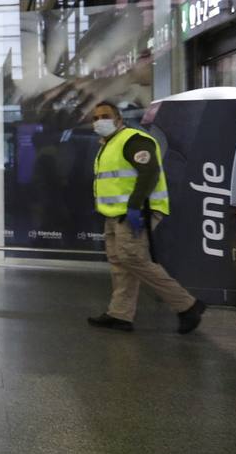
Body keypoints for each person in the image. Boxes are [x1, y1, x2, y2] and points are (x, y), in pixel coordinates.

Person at [86, 101, 207, 333]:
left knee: (133, 259)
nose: (99, 121)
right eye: (95, 118)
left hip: (136, 211)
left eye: (105, 116)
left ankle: (188, 305)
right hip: (114, 213)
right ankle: (120, 315)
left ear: (119, 119)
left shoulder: (133, 140)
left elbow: (149, 172)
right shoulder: (108, 145)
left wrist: (134, 207)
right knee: (120, 263)